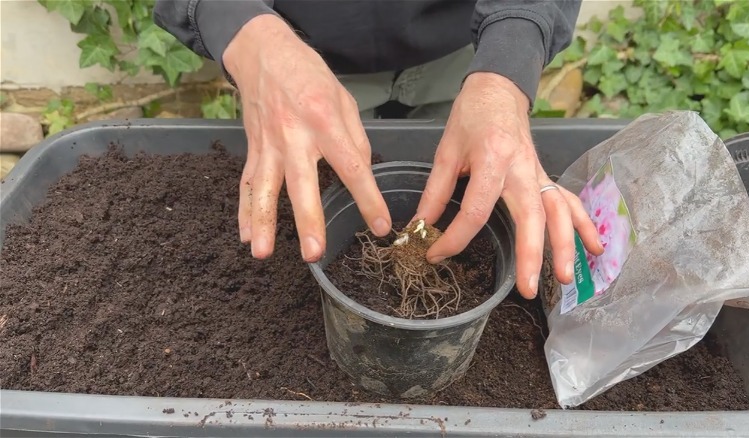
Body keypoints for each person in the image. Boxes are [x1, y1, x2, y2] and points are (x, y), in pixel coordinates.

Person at [153, 0, 604, 300]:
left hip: (469, 46)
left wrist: (507, 63)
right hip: (293, 57)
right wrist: (241, 27)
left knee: (471, 190)